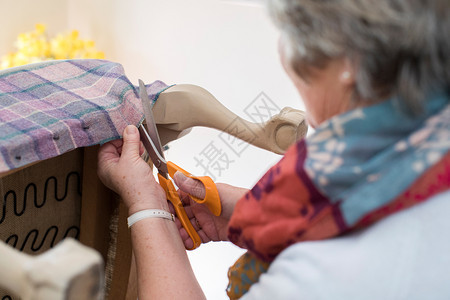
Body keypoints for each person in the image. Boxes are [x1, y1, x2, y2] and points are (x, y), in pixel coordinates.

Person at [97, 0, 450, 299]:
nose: (284, 54)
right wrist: (244, 211)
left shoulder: (325, 275)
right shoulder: (422, 149)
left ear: (349, 63)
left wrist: (146, 206)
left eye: (293, 37)